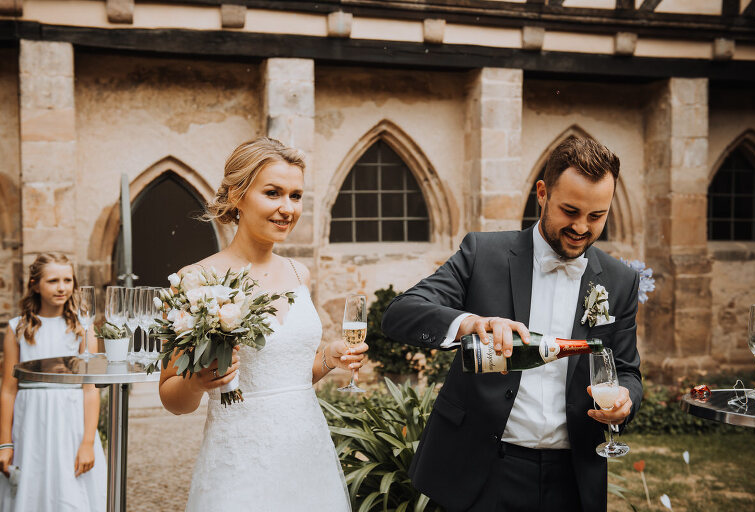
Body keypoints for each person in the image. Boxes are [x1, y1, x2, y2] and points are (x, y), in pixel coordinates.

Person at [381, 136, 643, 512]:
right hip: (482, 470)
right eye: (570, 211)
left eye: (596, 216)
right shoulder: (483, 253)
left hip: (572, 477)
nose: (581, 227)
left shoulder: (620, 280)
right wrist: (470, 323)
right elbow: (400, 313)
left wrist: (624, 401)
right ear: (542, 193)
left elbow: (628, 371)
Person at [158, 137, 368, 511]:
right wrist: (197, 381)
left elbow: (288, 379)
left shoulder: (300, 273)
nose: (287, 208)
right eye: (273, 193)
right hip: (238, 459)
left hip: (306, 453)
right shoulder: (195, 280)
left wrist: (329, 359)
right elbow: (172, 399)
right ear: (237, 195)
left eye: (295, 196)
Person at [0, 253, 107, 511]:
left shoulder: (82, 328)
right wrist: (5, 443)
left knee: (70, 493)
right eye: (53, 281)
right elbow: (8, 390)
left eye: (67, 280)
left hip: (71, 424)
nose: (62, 287)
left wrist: (87, 442)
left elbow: (90, 389)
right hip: (31, 425)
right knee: (31, 491)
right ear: (35, 285)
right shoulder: (18, 328)